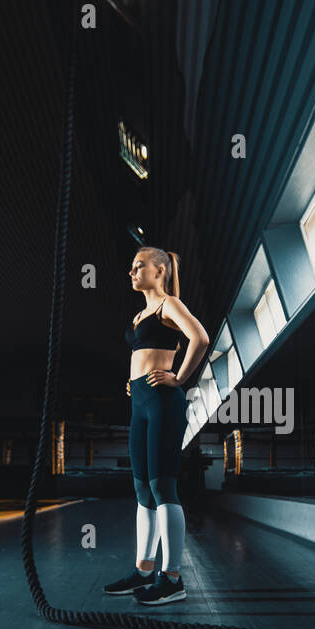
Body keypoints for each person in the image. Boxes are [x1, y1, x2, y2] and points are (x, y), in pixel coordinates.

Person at [102, 247, 209, 605]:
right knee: (142, 491)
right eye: (131, 267)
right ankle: (144, 570)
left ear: (159, 270)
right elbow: (142, 355)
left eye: (139, 266)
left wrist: (178, 378)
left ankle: (173, 578)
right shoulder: (140, 314)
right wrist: (134, 381)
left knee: (162, 487)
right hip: (141, 403)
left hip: (164, 401)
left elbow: (200, 338)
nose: (131, 272)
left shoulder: (169, 305)